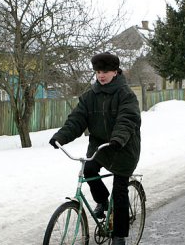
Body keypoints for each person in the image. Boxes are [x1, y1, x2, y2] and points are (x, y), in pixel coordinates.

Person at [49, 52, 142, 245]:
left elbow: (127, 120)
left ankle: (119, 235)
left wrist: (118, 138)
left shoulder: (126, 95)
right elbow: (76, 120)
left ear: (115, 72)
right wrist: (61, 136)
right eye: (98, 71)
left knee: (120, 189)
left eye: (106, 71)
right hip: (100, 147)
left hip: (123, 147)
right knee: (89, 170)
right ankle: (102, 200)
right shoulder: (90, 96)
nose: (101, 75)